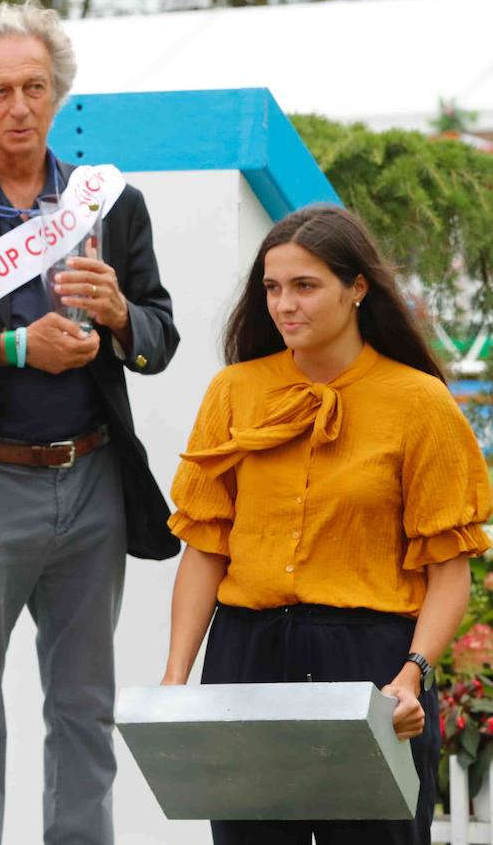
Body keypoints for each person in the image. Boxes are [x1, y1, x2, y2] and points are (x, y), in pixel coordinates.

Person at [0, 0, 180, 844]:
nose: (19, 107)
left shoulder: (109, 204)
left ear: (59, 96)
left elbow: (160, 340)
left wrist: (122, 314)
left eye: (36, 88)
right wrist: (16, 349)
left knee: (87, 711)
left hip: (91, 482)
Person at [162, 205, 490, 845]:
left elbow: (449, 570)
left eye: (305, 286)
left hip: (369, 664)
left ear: (357, 288)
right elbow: (205, 550)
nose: (285, 304)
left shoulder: (419, 402)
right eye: (273, 287)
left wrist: (410, 674)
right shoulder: (233, 391)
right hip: (245, 660)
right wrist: (177, 681)